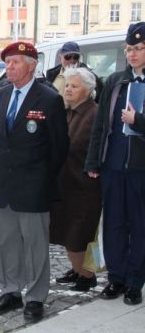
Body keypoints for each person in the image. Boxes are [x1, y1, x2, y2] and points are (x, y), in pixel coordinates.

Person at [0, 41, 69, 321]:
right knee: (7, 241)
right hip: (3, 183)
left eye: (16, 62)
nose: (9, 67)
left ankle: (35, 297)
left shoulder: (49, 98)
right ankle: (10, 291)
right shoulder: (0, 94)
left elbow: (59, 147)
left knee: (34, 244)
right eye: (7, 62)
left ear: (32, 65)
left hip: (33, 184)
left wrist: (41, 176)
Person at [85, 22, 145, 306]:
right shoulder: (116, 81)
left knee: (140, 225)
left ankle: (135, 282)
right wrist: (94, 160)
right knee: (114, 224)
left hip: (141, 169)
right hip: (113, 165)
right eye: (129, 49)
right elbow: (100, 125)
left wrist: (139, 122)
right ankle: (116, 278)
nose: (132, 54)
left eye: (140, 48)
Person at [50, 68, 101, 292]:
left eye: (75, 86)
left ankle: (88, 274)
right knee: (66, 231)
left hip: (86, 187)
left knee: (80, 236)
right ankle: (77, 269)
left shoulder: (95, 114)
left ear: (88, 91)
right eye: (67, 85)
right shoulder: (67, 112)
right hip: (65, 184)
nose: (68, 89)